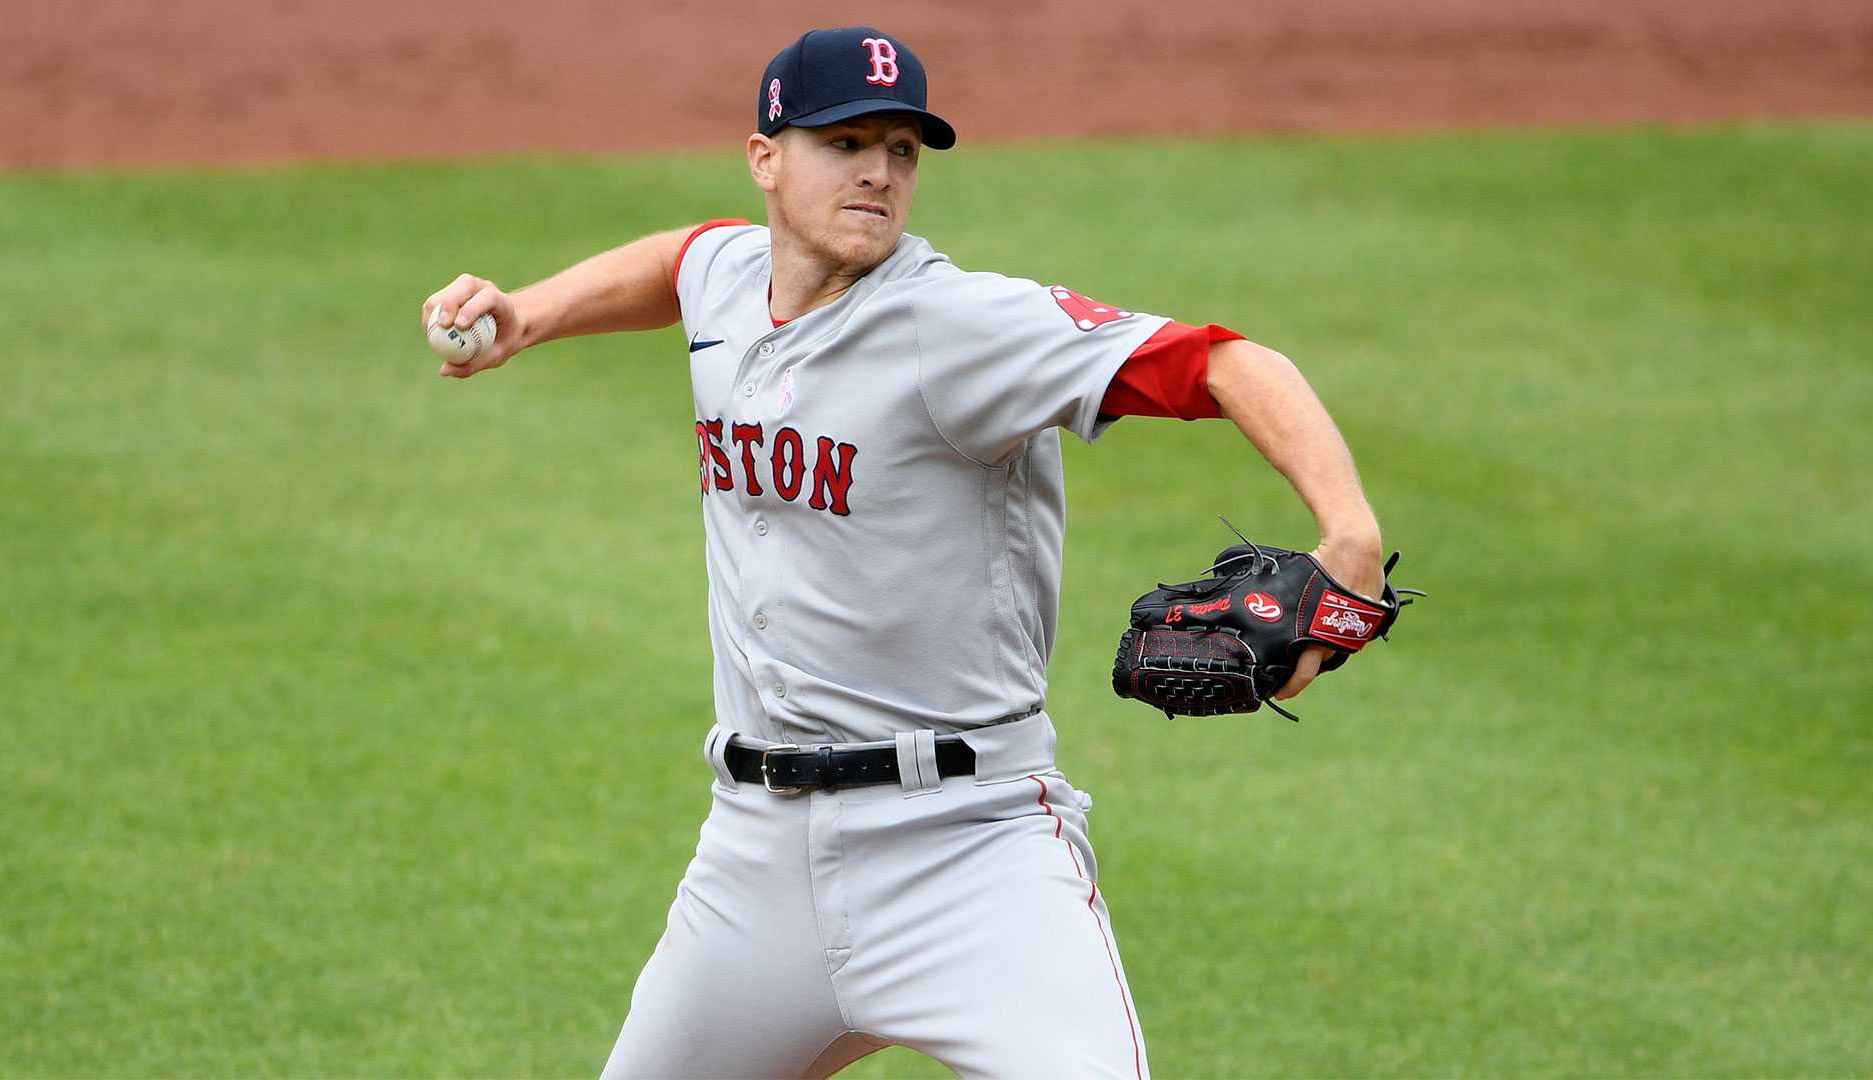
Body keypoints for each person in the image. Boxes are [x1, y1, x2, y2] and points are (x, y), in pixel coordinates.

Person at [420, 26, 1384, 1079]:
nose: (879, 171)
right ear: (766, 160)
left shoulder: (957, 325)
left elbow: (1223, 364)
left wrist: (1352, 536)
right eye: (845, 143)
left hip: (968, 852)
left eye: (903, 149)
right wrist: (531, 315)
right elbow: (680, 260)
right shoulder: (734, 278)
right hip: (756, 859)